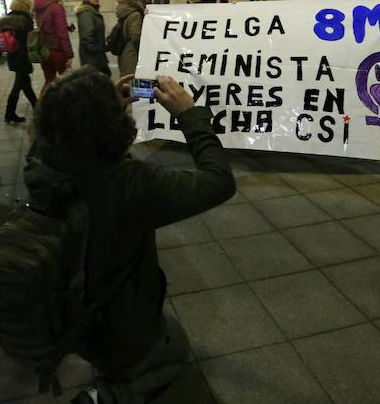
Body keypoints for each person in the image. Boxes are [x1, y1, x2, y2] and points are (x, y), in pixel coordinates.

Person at [27, 68, 235, 403]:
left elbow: (56, 132)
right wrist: (189, 115)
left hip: (70, 306)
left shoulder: (40, 164)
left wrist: (97, 106)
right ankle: (110, 395)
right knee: (140, 366)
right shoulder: (129, 183)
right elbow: (218, 181)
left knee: (101, 349)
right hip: (126, 321)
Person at [0, 0, 38, 123]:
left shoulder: (7, 20)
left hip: (12, 56)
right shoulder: (25, 20)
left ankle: (37, 107)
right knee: (18, 85)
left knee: (25, 84)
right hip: (23, 56)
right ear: (26, 6)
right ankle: (9, 113)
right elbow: (30, 40)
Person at [33, 0, 74, 94]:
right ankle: (66, 108)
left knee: (49, 81)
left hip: (44, 50)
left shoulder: (39, 7)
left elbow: (48, 26)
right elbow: (62, 35)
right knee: (67, 82)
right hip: (57, 51)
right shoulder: (57, 7)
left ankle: (42, 107)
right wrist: (69, 54)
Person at [76, 0, 110, 76]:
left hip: (95, 56)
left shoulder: (92, 11)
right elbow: (87, 36)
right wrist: (97, 51)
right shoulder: (86, 13)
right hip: (92, 58)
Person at [114, 0, 146, 78]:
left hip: (124, 52)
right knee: (132, 83)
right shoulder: (135, 14)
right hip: (132, 54)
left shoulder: (125, 10)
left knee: (126, 80)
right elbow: (136, 37)